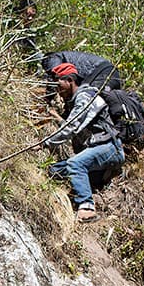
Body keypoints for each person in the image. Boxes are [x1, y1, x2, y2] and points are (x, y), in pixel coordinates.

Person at [42, 62, 125, 222]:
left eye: (59, 84)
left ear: (70, 80)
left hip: (109, 147)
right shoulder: (78, 100)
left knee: (75, 164)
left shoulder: (85, 97)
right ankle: (98, 178)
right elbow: (74, 126)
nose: (58, 91)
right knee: (55, 170)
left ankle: (87, 208)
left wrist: (46, 143)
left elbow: (71, 127)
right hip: (99, 149)